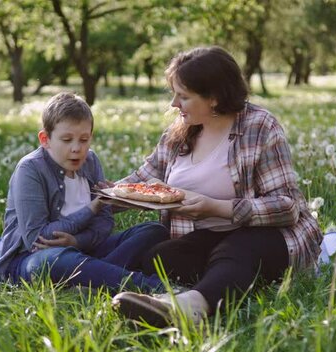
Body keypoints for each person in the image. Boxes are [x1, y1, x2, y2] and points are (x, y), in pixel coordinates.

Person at [111, 47, 323, 326]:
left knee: (238, 250)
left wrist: (218, 208)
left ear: (214, 98)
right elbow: (142, 179)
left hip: (266, 235)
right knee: (158, 257)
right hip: (208, 238)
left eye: (184, 96)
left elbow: (287, 206)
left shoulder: (260, 127)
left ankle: (193, 308)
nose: (174, 104)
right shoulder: (181, 130)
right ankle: (212, 286)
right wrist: (95, 200)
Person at [0, 92, 168, 291]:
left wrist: (77, 242)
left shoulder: (90, 161)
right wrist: (92, 207)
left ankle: (91, 277)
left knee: (155, 231)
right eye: (67, 140)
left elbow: (105, 222)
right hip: (32, 259)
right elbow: (39, 238)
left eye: (84, 140)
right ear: (45, 139)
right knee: (54, 260)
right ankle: (151, 287)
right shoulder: (30, 169)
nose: (77, 148)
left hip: (85, 250)